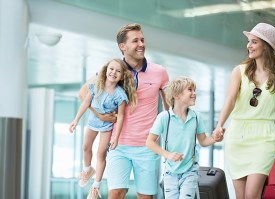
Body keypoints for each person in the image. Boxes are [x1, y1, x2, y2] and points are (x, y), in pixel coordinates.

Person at [79, 23, 169, 199]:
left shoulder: (160, 72)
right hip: (118, 146)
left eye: (142, 40)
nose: (141, 44)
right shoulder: (113, 71)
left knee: (146, 196)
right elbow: (83, 93)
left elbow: (169, 108)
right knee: (116, 193)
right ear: (123, 46)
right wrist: (100, 115)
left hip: (148, 146)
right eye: (135, 41)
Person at [213, 23, 275, 199]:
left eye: (254, 42)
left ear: (266, 46)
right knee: (241, 196)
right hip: (238, 135)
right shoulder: (239, 71)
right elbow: (229, 100)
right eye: (249, 42)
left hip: (264, 137)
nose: (248, 46)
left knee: (252, 195)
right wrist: (219, 125)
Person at [69, 58, 137, 199]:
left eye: (118, 71)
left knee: (101, 154)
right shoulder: (96, 85)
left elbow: (121, 117)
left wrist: (116, 138)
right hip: (92, 122)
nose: (113, 72)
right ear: (106, 70)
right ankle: (88, 169)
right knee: (85, 147)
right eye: (111, 69)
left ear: (122, 76)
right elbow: (86, 103)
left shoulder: (120, 95)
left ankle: (95, 186)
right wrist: (75, 120)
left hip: (107, 127)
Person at [146, 76, 223, 199]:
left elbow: (203, 141)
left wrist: (215, 139)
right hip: (170, 172)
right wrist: (168, 155)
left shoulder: (196, 117)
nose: (194, 94)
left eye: (194, 90)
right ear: (177, 95)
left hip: (190, 170)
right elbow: (149, 142)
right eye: (190, 90)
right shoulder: (164, 117)